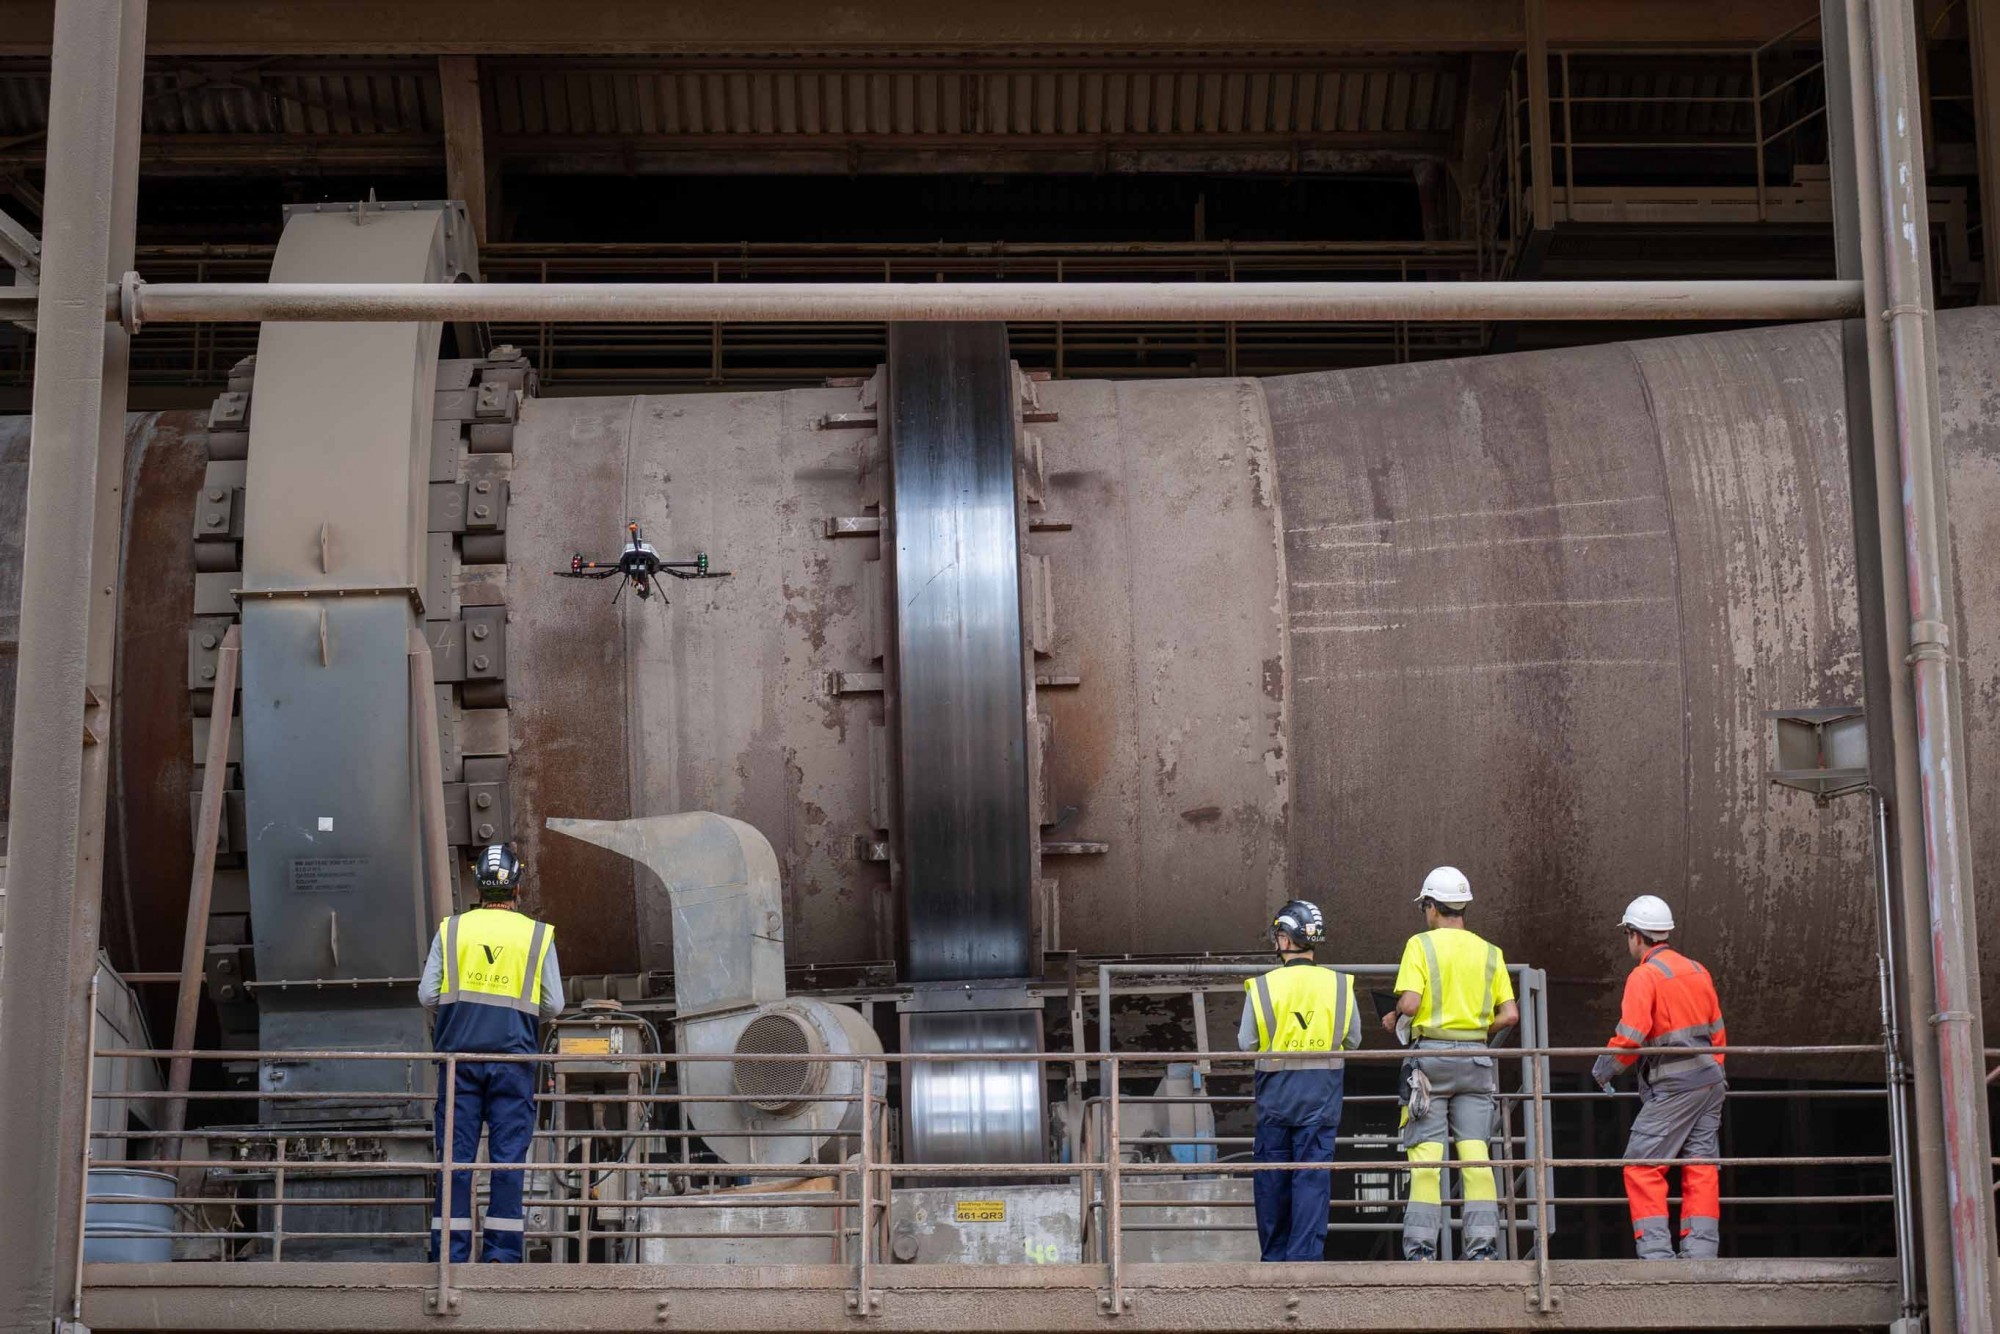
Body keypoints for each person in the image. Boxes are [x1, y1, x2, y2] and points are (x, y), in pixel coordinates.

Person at [419, 842, 563, 1263]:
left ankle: (450, 1256)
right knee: (507, 1164)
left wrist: (462, 1008)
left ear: (477, 886)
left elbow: (428, 994)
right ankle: (501, 1259)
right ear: (517, 888)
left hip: (457, 1062)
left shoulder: (452, 929)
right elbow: (553, 1005)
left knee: (455, 1162)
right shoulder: (536, 935)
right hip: (513, 1063)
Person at [1383, 866, 1517, 1261]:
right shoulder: (1490, 952)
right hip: (1476, 1059)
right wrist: (1478, 1029)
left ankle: (1421, 1251)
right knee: (1476, 1158)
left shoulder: (1420, 945)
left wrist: (1395, 1017)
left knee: (1426, 1160)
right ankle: (1483, 1250)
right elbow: (1509, 1015)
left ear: (1430, 905)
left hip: (1431, 1061)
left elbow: (1409, 1003)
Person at [1591, 894, 1727, 1260]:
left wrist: (1604, 1069)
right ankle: (1701, 1253)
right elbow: (1717, 1033)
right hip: (1711, 1082)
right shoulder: (1698, 970)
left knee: (1641, 1164)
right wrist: (1713, 1072)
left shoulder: (1644, 976)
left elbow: (1631, 1037)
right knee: (1700, 1165)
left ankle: (1655, 1254)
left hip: (1676, 1087)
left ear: (1636, 935)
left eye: (1627, 935)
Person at [1236, 898, 1359, 1262]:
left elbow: (1247, 1044)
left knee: (1272, 1178)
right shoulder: (1339, 985)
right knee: (1312, 1179)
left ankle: (1274, 1259)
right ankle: (1304, 1260)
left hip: (1275, 1098)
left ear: (1286, 939)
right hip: (1321, 1097)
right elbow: (1353, 1040)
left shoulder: (1262, 987)